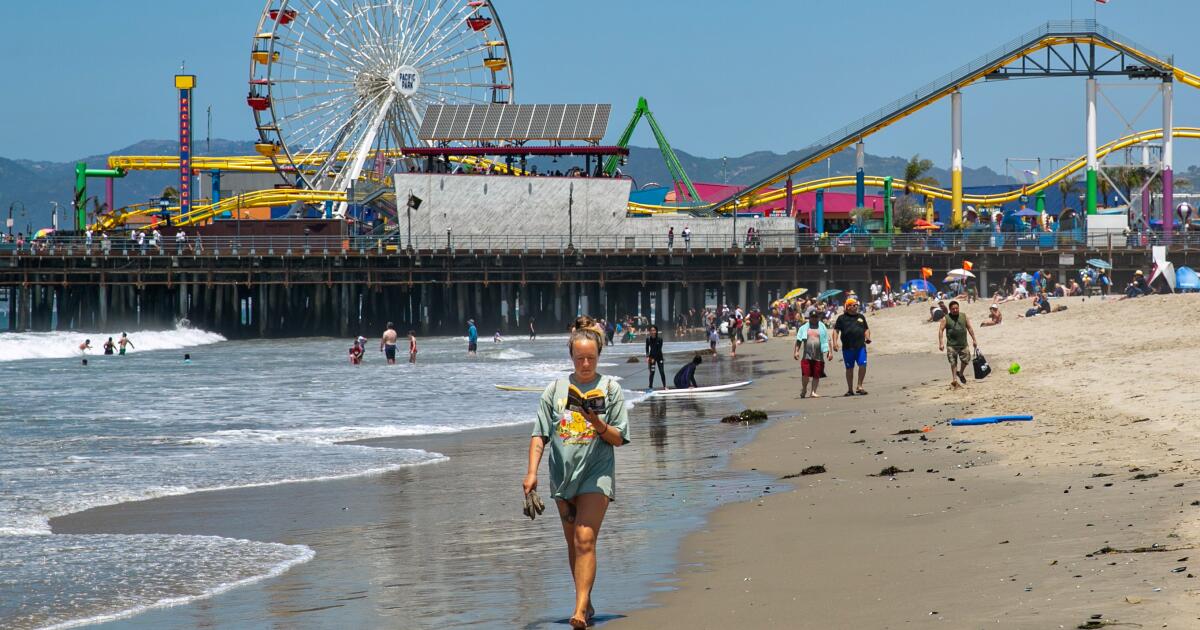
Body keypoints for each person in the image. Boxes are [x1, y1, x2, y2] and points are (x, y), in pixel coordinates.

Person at [523, 327, 628, 629]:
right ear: (571, 356)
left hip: (596, 474)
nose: (585, 364)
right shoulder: (554, 390)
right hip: (562, 477)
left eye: (591, 358)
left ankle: (579, 610)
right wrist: (531, 474)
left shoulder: (610, 389)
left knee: (585, 537)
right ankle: (587, 598)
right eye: (580, 358)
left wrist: (597, 423)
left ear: (598, 357)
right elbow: (539, 435)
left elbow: (619, 438)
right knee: (573, 544)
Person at [832, 298, 871, 396]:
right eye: (853, 305)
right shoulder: (841, 318)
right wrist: (835, 343)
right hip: (847, 348)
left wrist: (867, 337)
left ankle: (859, 386)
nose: (856, 306)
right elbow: (836, 331)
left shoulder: (861, 317)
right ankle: (850, 390)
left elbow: (866, 329)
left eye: (856, 305)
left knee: (863, 365)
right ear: (848, 307)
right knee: (849, 368)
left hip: (860, 346)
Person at [938, 300, 978, 389]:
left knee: (966, 360)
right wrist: (941, 343)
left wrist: (974, 340)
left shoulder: (963, 316)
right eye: (953, 309)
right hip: (951, 345)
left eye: (956, 308)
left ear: (958, 308)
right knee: (953, 362)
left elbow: (969, 328)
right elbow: (941, 330)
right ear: (950, 309)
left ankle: (961, 373)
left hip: (963, 344)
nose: (955, 310)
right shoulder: (946, 318)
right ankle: (954, 380)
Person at [793, 309, 831, 398]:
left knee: (816, 374)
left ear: (818, 318)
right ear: (809, 318)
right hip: (807, 355)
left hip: (819, 355)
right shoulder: (804, 328)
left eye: (816, 317)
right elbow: (798, 340)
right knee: (805, 374)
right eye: (812, 317)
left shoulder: (822, 327)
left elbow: (828, 340)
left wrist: (830, 352)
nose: (814, 319)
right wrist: (796, 351)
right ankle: (804, 388)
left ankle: (813, 392)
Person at [644, 325, 666, 390]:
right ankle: (650, 387)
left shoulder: (660, 339)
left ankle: (664, 386)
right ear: (649, 332)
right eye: (651, 330)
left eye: (654, 330)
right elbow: (647, 348)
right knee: (652, 372)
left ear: (656, 331)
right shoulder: (648, 339)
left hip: (659, 358)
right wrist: (648, 357)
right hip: (651, 358)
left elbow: (659, 350)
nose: (652, 332)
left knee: (661, 371)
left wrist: (654, 359)